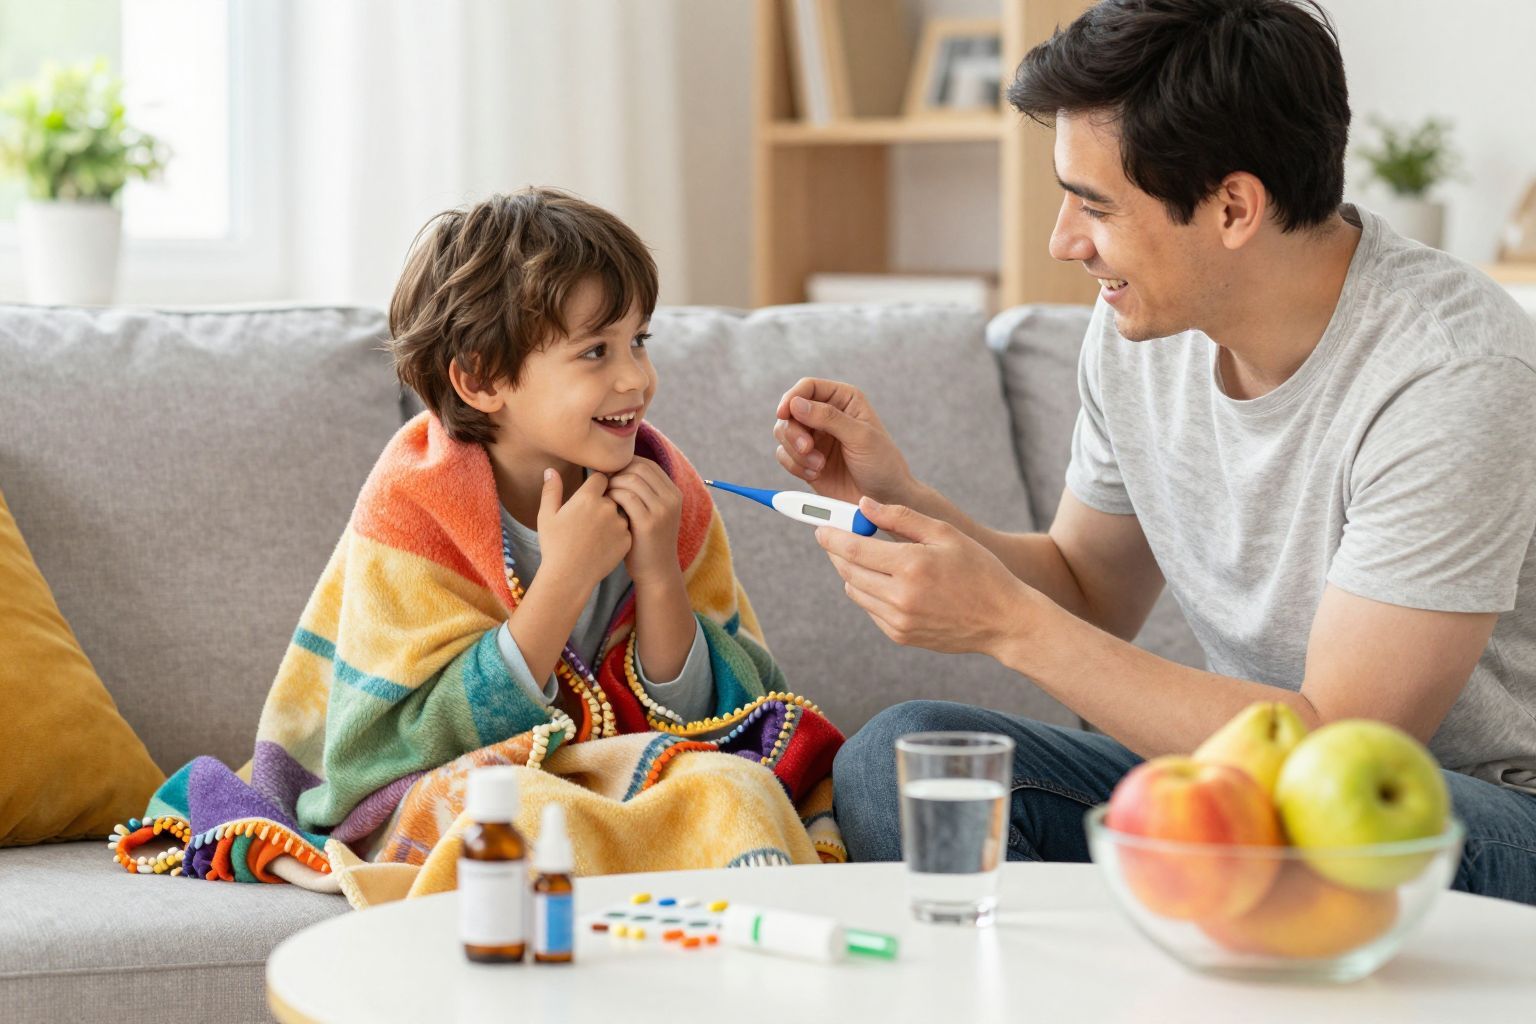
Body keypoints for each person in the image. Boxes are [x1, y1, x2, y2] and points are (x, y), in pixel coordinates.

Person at [775, 0, 1536, 905]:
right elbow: (1088, 587)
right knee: (900, 758)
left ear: (1233, 207)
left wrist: (1007, 625)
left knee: (1320, 840)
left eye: (1094, 204)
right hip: (1237, 796)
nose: (1065, 241)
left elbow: (1329, 750)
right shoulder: (1143, 325)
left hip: (1458, 818)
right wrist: (907, 501)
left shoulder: (1449, 371)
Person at [106, 189, 844, 889]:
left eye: (638, 341)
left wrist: (655, 572)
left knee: (735, 785)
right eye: (596, 352)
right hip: (454, 780)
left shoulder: (662, 489)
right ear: (482, 379)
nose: (636, 378)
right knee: (514, 808)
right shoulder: (414, 504)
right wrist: (565, 580)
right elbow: (391, 741)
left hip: (617, 768)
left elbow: (716, 714)